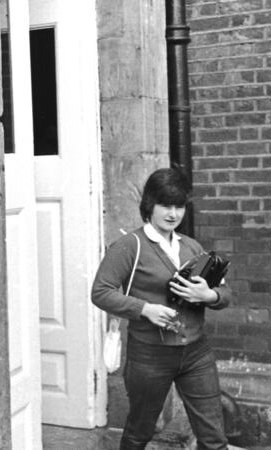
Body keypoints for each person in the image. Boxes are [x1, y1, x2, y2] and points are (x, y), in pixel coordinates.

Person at [91, 168, 233, 450]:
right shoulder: (129, 246)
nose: (173, 213)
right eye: (165, 205)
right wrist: (145, 309)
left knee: (214, 438)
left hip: (196, 353)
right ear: (149, 206)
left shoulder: (192, 247)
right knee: (139, 432)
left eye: (179, 206)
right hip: (149, 355)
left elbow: (226, 294)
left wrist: (209, 294)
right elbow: (101, 292)